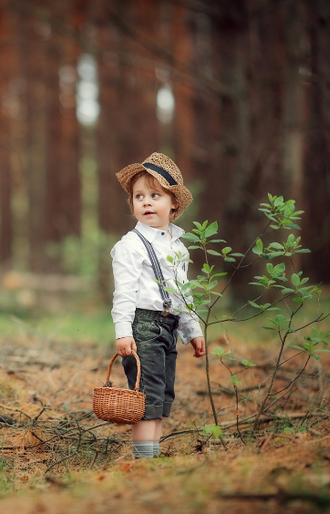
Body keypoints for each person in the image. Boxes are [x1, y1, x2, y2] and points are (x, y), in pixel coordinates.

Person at [110, 152, 206, 459]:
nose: (146, 202)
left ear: (174, 203)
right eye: (139, 196)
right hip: (144, 327)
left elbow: (183, 293)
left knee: (162, 396)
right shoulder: (130, 246)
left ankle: (151, 456)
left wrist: (193, 330)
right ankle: (143, 462)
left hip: (169, 327)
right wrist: (124, 331)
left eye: (155, 195)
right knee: (146, 398)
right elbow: (123, 293)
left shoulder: (177, 246)